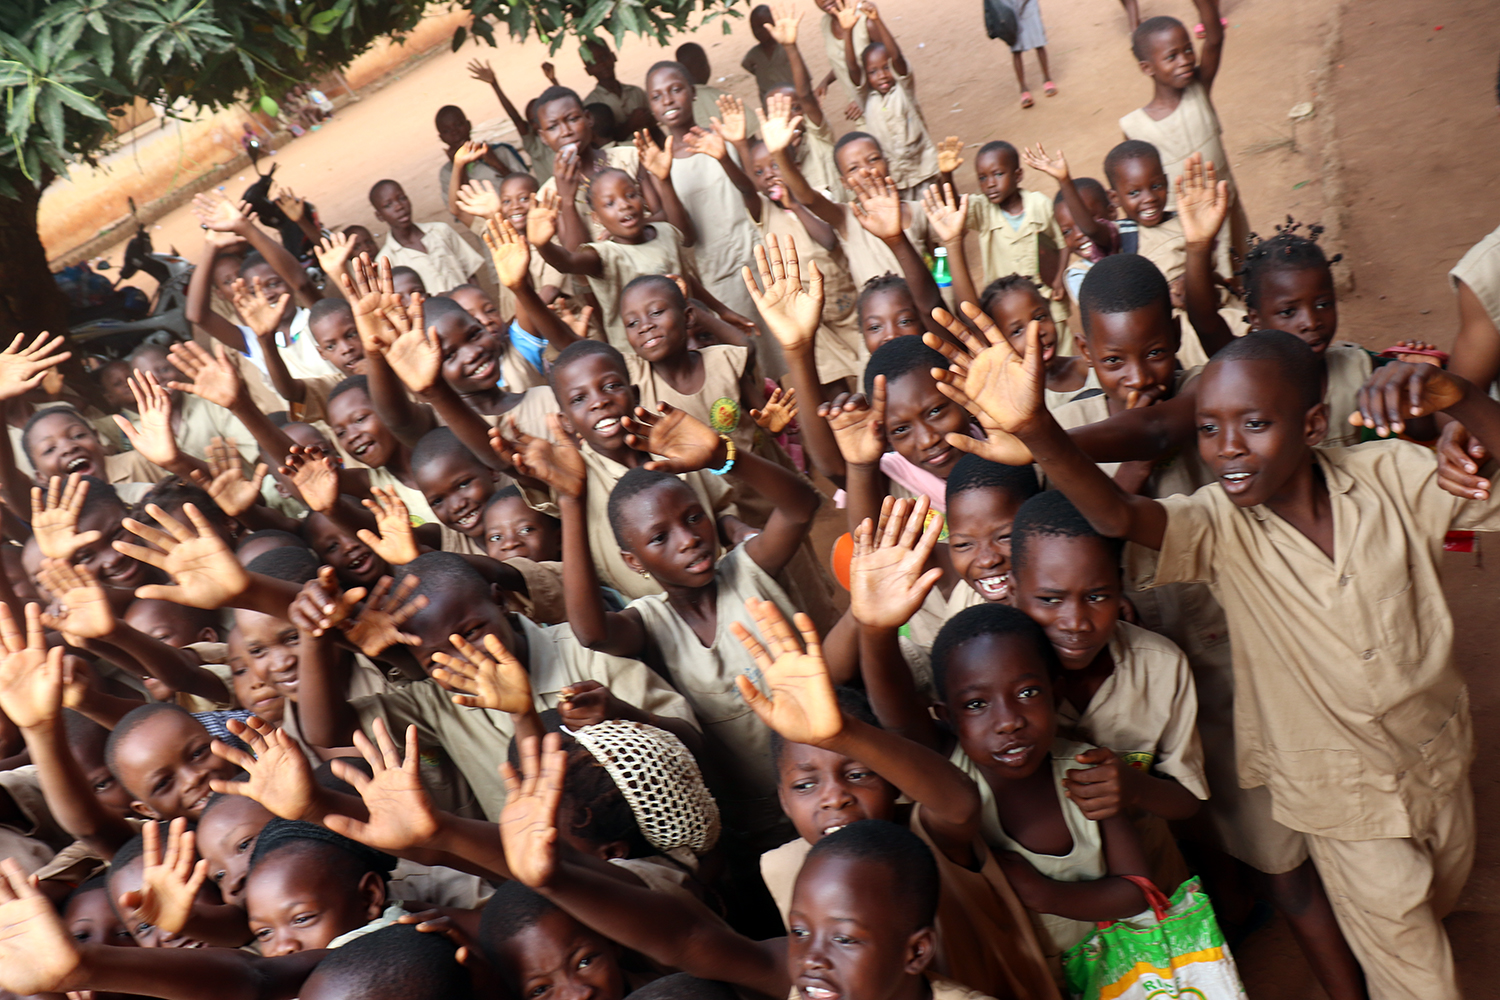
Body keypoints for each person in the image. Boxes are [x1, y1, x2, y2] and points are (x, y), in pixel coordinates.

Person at [946, 322, 1500, 999]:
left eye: (1255, 423)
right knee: (1416, 975)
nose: (1227, 448)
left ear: (1314, 422)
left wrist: (1462, 397)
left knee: (1431, 908)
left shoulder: (1391, 477)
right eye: (1208, 428)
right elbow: (1119, 516)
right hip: (1341, 802)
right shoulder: (1218, 525)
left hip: (1437, 758)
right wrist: (1037, 429)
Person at [530, 397, 820, 846]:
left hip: (824, 778)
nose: (688, 540)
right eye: (660, 537)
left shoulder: (749, 567)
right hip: (751, 819)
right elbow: (591, 631)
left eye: (693, 519)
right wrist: (571, 501)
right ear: (634, 561)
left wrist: (727, 457)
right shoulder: (651, 622)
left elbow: (801, 506)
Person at [1008, 489, 1206, 892]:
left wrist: (1134, 787)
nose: (1075, 622)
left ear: (1121, 588)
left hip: (1154, 882)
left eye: (1097, 597)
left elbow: (1189, 800)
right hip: (1047, 892)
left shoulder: (1161, 666)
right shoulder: (990, 671)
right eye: (1050, 599)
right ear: (1013, 589)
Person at [642, 61, 765, 345]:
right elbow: (686, 237)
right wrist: (664, 180)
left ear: (693, 92)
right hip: (719, 279)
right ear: (651, 107)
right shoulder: (658, 164)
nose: (668, 100)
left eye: (675, 89)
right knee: (751, 356)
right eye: (657, 96)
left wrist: (725, 156)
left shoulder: (722, 139)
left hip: (761, 259)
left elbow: (753, 198)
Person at [1119, 0, 1249, 261]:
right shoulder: (1134, 127)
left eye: (1189, 50)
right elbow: (1134, 186)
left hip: (1227, 209)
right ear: (1147, 68)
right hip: (1183, 227)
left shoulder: (1198, 87)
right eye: (1171, 56)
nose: (1186, 60)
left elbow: (1214, 39)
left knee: (1245, 268)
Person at [839, 0, 940, 199]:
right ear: (866, 77)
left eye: (886, 68)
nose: (882, 75)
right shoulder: (866, 99)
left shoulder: (904, 90)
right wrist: (847, 32)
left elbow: (898, 58)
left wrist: (877, 21)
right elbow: (852, 68)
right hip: (895, 180)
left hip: (923, 171)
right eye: (873, 72)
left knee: (935, 214)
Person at [369, 180, 488, 295]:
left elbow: (470, 274)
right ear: (379, 216)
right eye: (388, 205)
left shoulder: (441, 231)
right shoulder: (386, 260)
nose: (399, 207)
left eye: (402, 198)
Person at [579, 40, 652, 142]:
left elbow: (654, 128)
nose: (602, 64)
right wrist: (630, 125)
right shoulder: (591, 104)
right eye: (594, 62)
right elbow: (599, 142)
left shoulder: (636, 92)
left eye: (604, 58)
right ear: (588, 71)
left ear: (613, 57)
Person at [1001, 0, 1055, 108]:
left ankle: (1047, 79)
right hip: (1008, 6)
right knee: (1016, 49)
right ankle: (1023, 89)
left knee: (1039, 42)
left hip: (1028, 4)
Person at [741, 5, 794, 100]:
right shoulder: (754, 53)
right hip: (768, 98)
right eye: (754, 28)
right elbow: (746, 64)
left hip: (792, 94)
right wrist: (762, 72)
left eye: (762, 26)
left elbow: (802, 71)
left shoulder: (786, 47)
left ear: (774, 24)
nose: (757, 31)